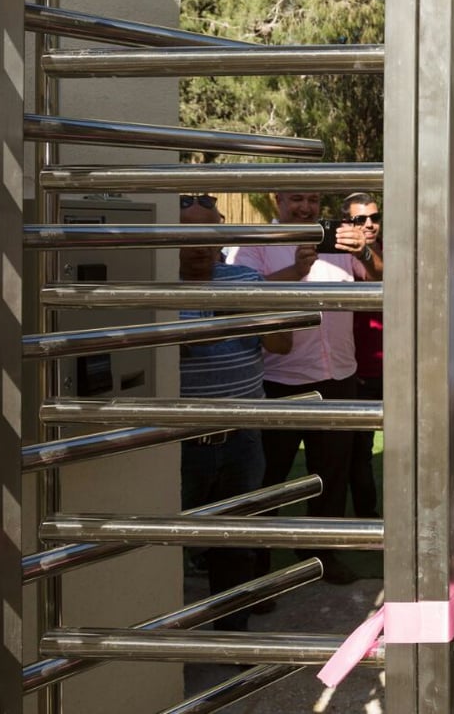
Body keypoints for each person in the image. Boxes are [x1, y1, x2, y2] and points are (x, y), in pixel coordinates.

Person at [230, 191, 373, 586]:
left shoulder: (341, 243)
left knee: (331, 477)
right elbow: (241, 297)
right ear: (278, 200)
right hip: (281, 382)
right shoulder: (256, 244)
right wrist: (294, 272)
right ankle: (257, 570)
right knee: (270, 480)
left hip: (340, 378)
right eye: (296, 200)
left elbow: (383, 282)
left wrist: (363, 253)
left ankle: (322, 555)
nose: (305, 208)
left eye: (312, 200)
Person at [178, 194, 292, 628]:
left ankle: (233, 639)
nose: (201, 245)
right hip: (177, 440)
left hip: (243, 437)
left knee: (236, 542)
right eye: (188, 234)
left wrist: (249, 312)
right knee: (168, 546)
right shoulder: (151, 285)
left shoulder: (245, 277)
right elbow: (164, 354)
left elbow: (283, 344)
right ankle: (169, 650)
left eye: (211, 234)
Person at [343, 192, 383, 518]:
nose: (369, 224)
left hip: (394, 369)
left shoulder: (391, 252)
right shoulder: (337, 256)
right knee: (358, 451)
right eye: (360, 219)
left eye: (374, 217)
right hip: (356, 370)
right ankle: (367, 521)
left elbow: (382, 272)